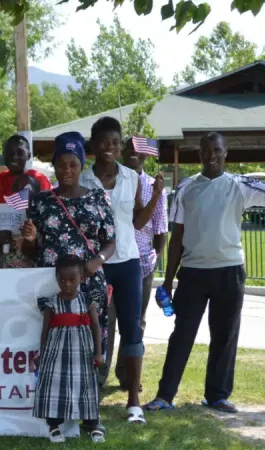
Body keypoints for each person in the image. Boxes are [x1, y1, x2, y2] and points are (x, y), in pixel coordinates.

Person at [145, 133, 265, 414]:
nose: (212, 155)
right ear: (199, 155)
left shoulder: (239, 186)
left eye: (217, 150)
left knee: (225, 335)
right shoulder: (186, 188)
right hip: (193, 274)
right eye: (206, 150)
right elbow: (178, 238)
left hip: (229, 272)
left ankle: (217, 395)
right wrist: (169, 280)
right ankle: (165, 395)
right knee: (182, 335)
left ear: (225, 153)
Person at [19, 131, 115, 425]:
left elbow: (110, 241)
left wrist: (95, 262)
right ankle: (56, 409)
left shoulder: (98, 198)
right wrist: (31, 239)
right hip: (53, 283)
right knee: (56, 342)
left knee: (90, 343)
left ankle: (89, 410)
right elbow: (30, 250)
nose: (67, 171)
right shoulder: (42, 201)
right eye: (61, 164)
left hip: (89, 283)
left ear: (82, 165)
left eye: (73, 164)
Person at [78, 117, 163, 424]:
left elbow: (138, 222)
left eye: (115, 142)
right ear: (93, 145)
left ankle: (134, 400)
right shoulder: (83, 180)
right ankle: (89, 395)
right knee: (93, 330)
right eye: (103, 142)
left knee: (131, 328)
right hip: (94, 264)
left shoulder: (131, 176)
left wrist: (155, 196)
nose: (109, 148)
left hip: (127, 262)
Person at [101, 137, 168, 391]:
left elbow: (161, 229)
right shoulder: (113, 181)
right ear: (121, 151)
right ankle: (101, 373)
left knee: (135, 321)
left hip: (141, 263)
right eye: (130, 150)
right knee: (107, 319)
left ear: (147, 157)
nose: (135, 155)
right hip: (111, 259)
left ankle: (127, 375)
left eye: (141, 152)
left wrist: (156, 257)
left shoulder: (153, 185)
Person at [34, 254, 104, 444]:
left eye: (72, 279)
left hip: (82, 353)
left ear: (81, 278)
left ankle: (93, 424)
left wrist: (98, 352)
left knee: (86, 387)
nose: (67, 284)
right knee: (55, 385)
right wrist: (42, 352)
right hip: (56, 354)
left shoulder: (88, 300)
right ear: (56, 278)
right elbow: (45, 329)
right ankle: (54, 426)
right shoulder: (51, 303)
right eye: (62, 279)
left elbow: (96, 327)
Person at [0, 174, 39, 269]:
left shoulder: (42, 219)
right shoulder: (5, 217)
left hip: (32, 274)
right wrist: (0, 239)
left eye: (27, 190)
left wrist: (31, 239)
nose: (21, 195)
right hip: (5, 272)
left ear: (37, 193)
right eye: (17, 191)